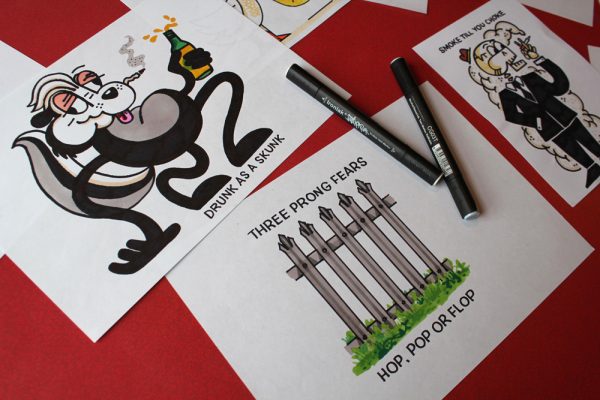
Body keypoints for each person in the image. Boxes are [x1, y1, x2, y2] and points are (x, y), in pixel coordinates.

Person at [472, 38, 600, 188]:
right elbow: (511, 116)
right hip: (548, 128)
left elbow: (560, 87)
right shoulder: (505, 94)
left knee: (587, 140)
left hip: (565, 116)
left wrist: (539, 60)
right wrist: (536, 122)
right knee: (572, 149)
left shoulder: (531, 77)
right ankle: (592, 168)